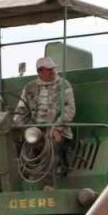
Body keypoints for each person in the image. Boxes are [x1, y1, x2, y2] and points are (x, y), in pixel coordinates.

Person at [13, 56, 76, 186]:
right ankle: (22, 183)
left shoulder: (63, 85)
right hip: (35, 130)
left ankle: (48, 186)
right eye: (49, 69)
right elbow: (20, 111)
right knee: (22, 146)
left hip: (56, 129)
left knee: (50, 147)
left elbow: (69, 109)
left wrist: (58, 127)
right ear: (40, 71)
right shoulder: (29, 87)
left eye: (53, 69)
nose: (53, 71)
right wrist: (22, 129)